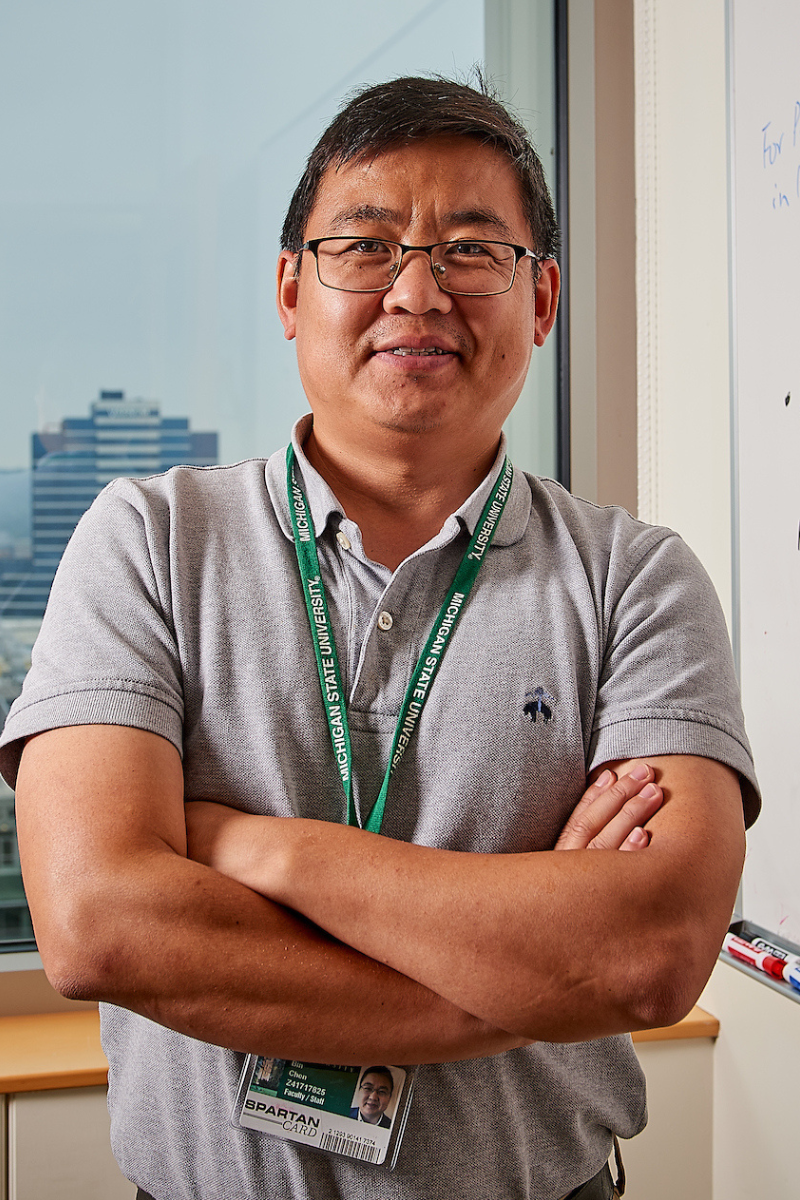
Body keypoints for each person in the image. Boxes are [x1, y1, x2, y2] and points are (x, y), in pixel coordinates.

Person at [1, 76, 758, 1200]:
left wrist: (263, 848)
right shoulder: (147, 542)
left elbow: (647, 953)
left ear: (540, 300)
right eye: (363, 245)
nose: (417, 291)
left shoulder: (635, 581)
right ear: (289, 290)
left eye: (470, 251)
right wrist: (534, 973)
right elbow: (99, 928)